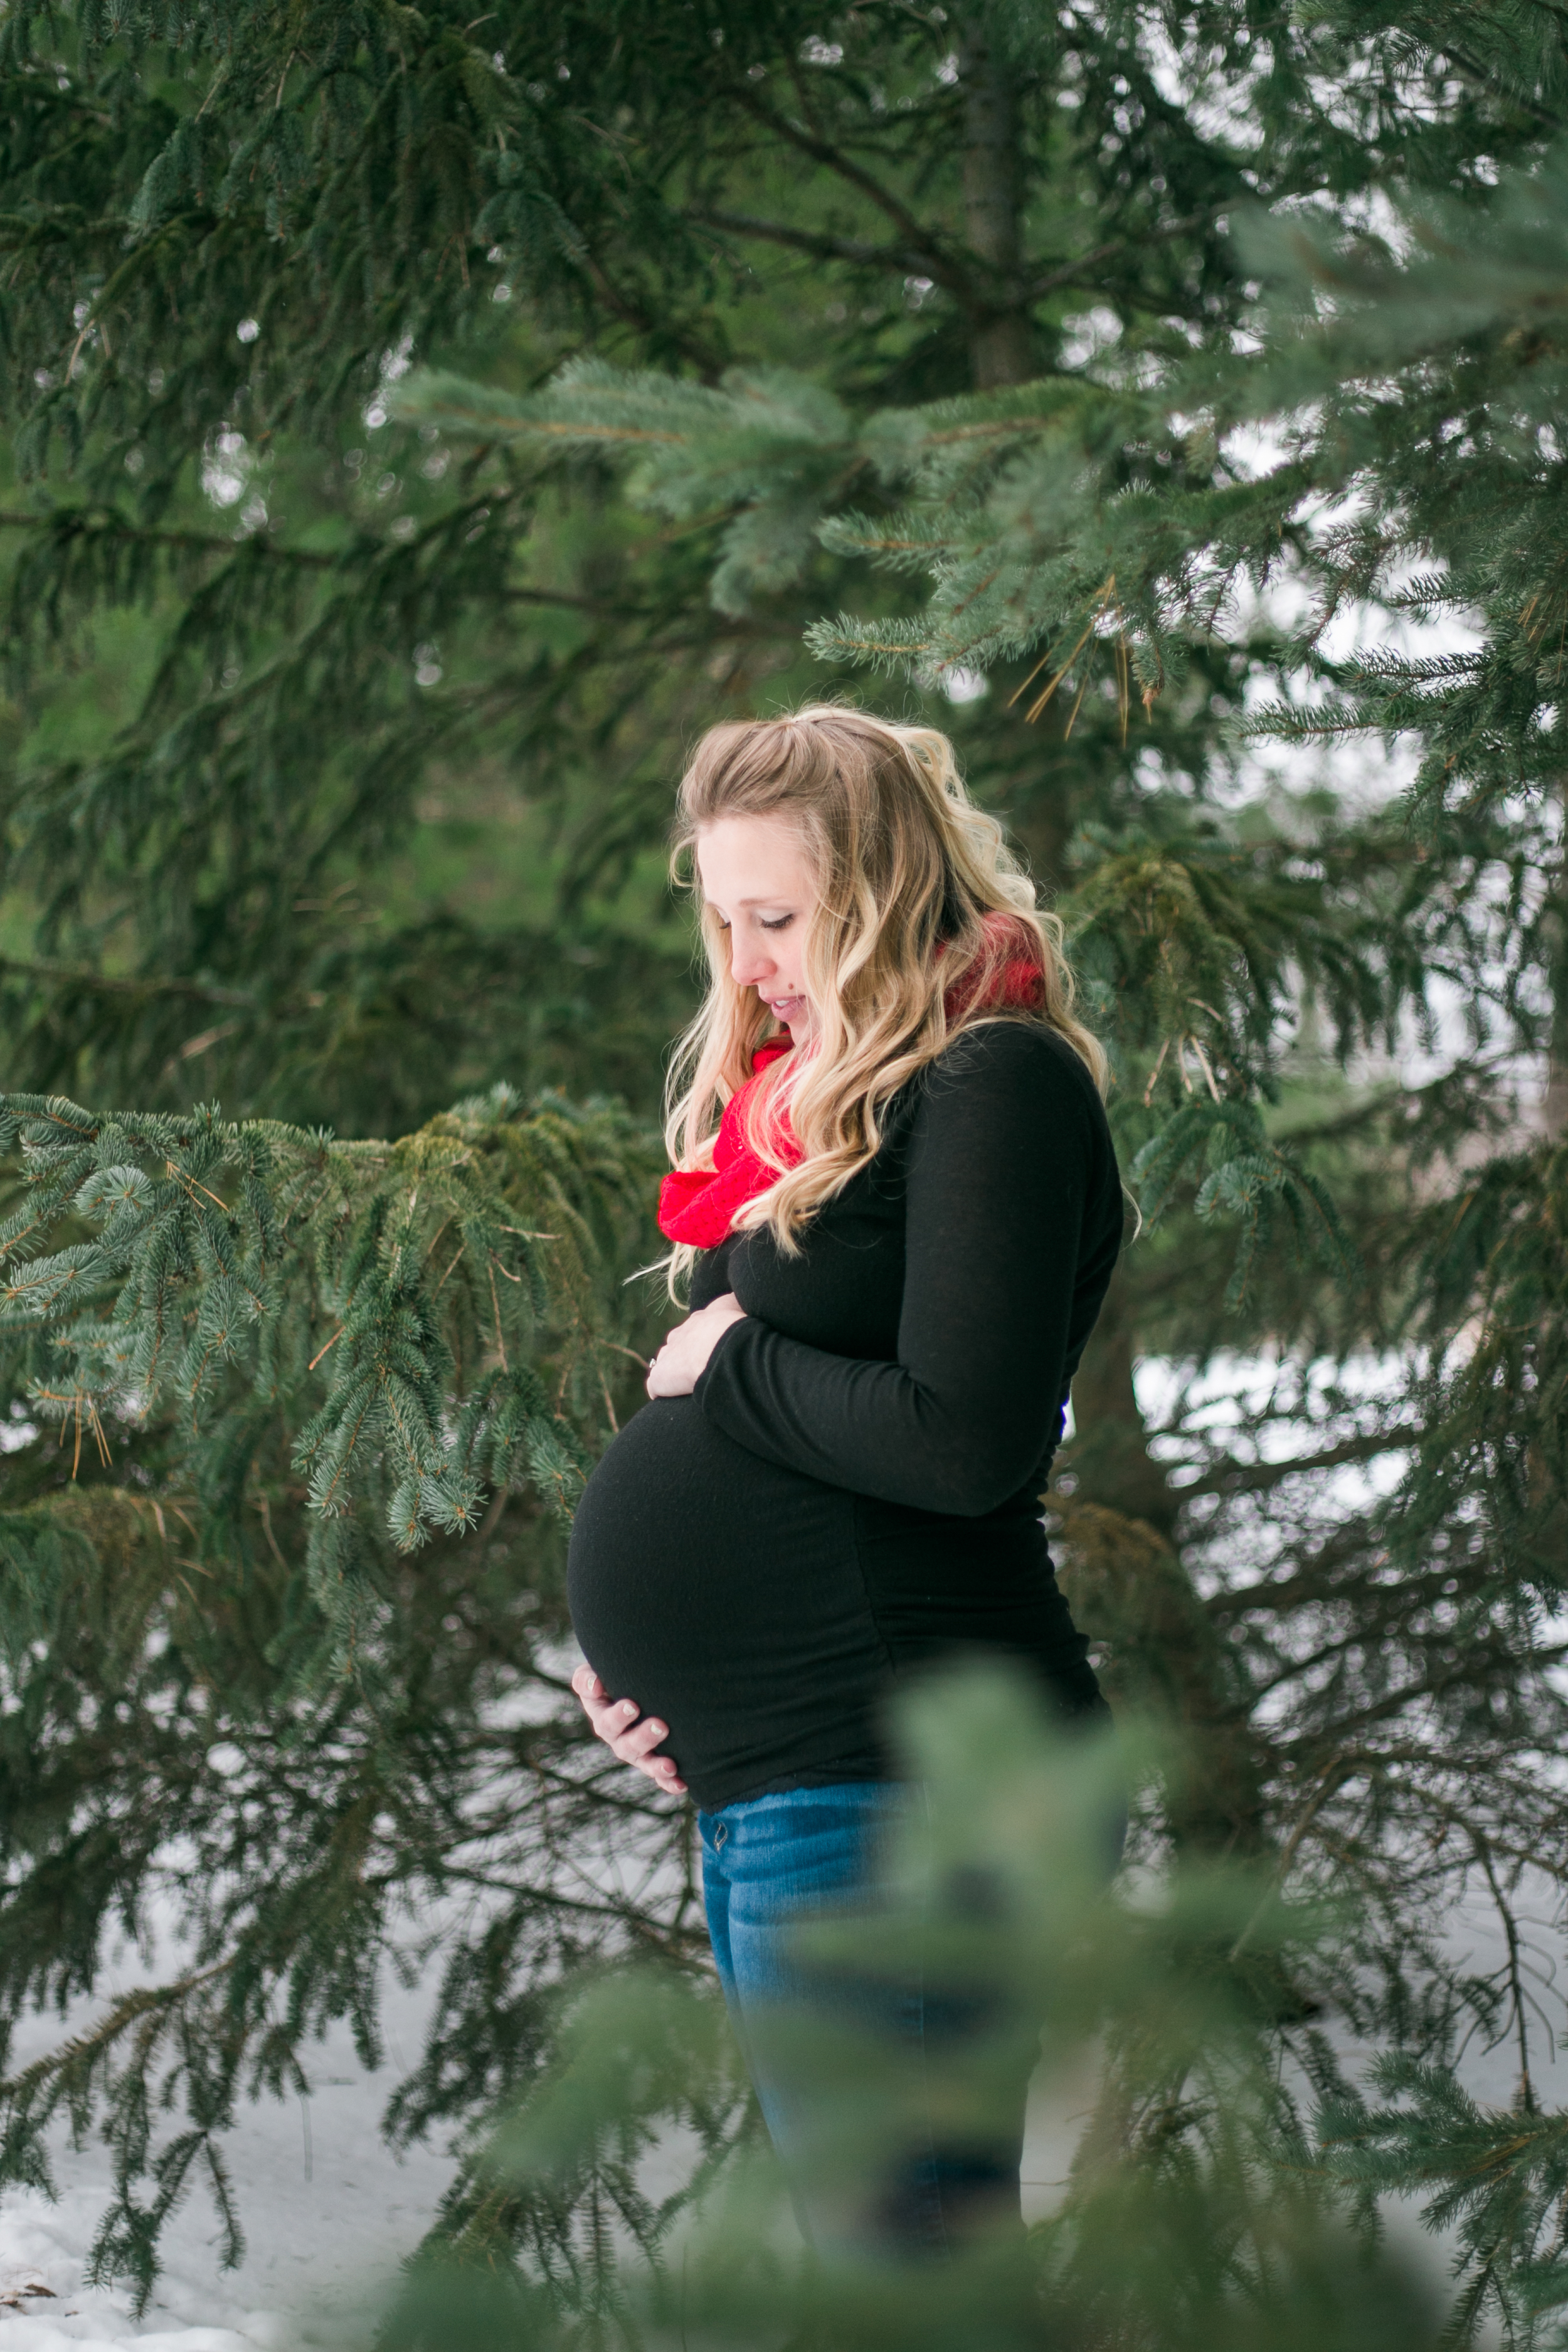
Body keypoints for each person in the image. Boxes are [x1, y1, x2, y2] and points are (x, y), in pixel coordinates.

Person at [566, 704, 1123, 2257]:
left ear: (880, 889)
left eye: (776, 918)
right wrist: (632, 1665)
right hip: (794, 1775)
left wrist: (725, 1357)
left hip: (912, 1776)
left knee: (916, 2279)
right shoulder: (840, 1105)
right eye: (723, 917)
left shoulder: (995, 1082)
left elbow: (966, 1443)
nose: (742, 964)